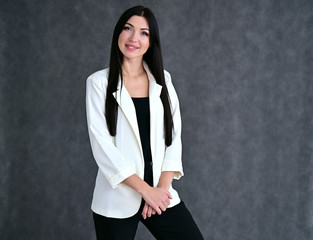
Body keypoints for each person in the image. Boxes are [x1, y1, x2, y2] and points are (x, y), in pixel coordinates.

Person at [86, 5, 204, 240]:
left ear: (151, 41)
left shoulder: (163, 80)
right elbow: (103, 147)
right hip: (118, 196)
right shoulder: (98, 83)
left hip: (160, 193)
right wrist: (145, 191)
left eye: (144, 32)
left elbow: (174, 137)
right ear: (118, 33)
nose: (133, 38)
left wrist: (159, 191)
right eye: (128, 29)